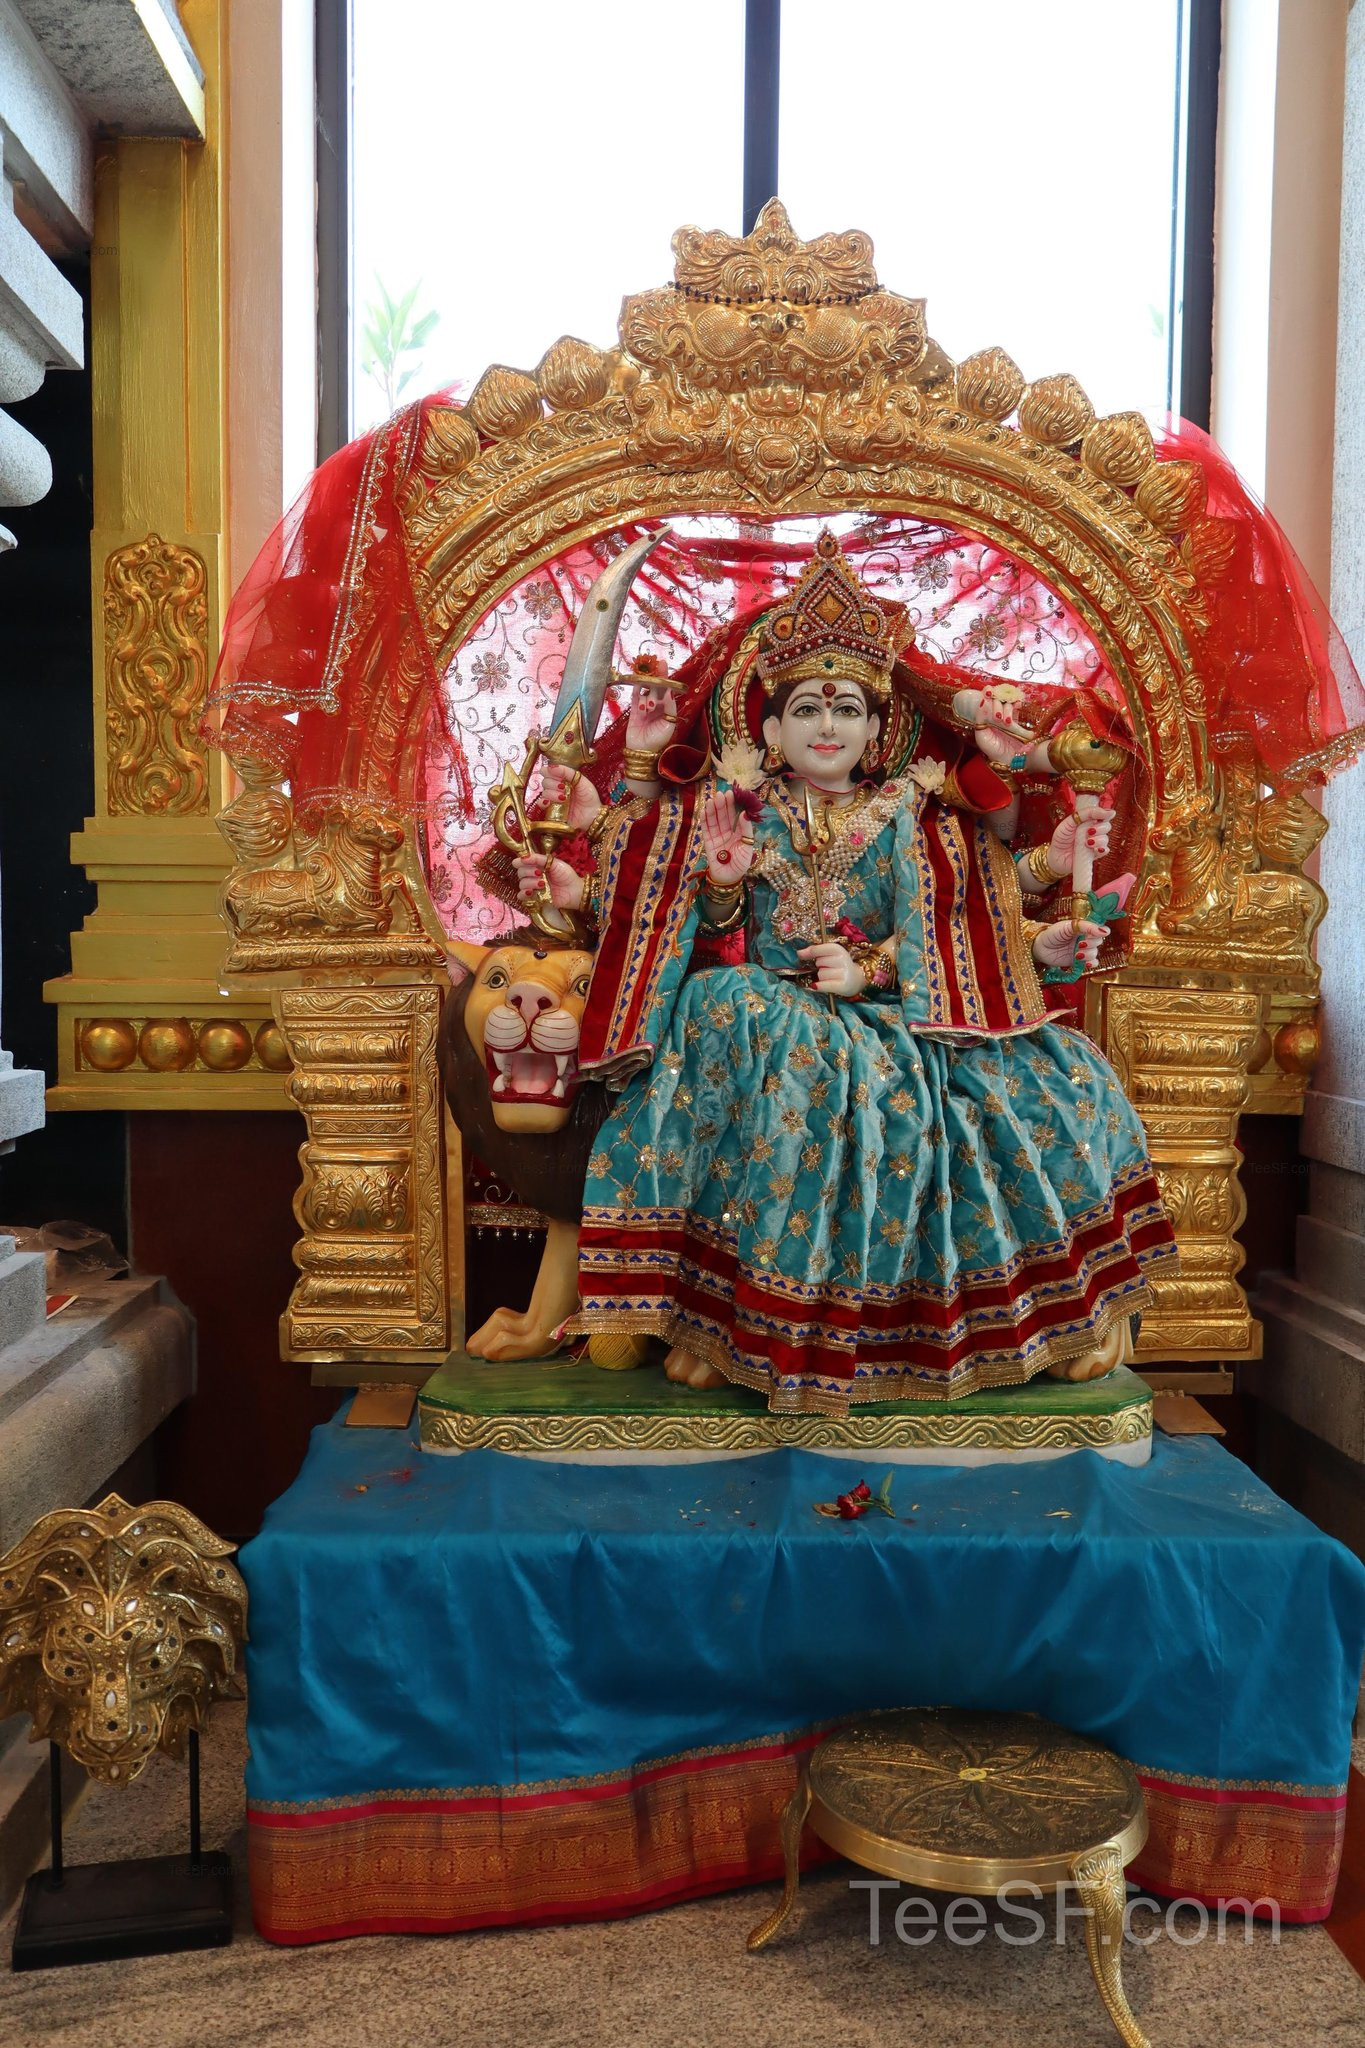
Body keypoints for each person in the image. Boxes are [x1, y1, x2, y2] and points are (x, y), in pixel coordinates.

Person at [516, 532, 1176, 1416]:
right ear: (770, 727)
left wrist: (870, 968)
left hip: (898, 1014)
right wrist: (718, 884)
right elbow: (683, 923)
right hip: (764, 1007)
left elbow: (952, 921)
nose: (828, 727)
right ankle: (723, 1324)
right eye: (808, 710)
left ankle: (1036, 1324)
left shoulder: (911, 811)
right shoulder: (735, 806)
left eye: (847, 710)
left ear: (877, 728)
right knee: (733, 1008)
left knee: (1058, 1082)